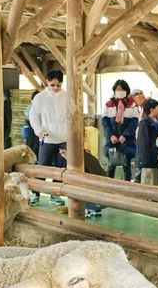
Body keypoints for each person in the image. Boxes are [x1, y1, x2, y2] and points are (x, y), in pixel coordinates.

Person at [29, 70, 68, 204]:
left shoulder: (67, 96)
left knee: (60, 169)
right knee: (42, 167)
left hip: (63, 138)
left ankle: (55, 194)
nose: (55, 88)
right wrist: (39, 130)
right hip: (47, 138)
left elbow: (74, 115)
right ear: (47, 82)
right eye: (52, 85)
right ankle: (36, 193)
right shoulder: (40, 97)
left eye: (58, 85)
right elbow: (33, 116)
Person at [101, 79, 140, 181]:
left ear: (126, 90)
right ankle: (108, 188)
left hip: (126, 140)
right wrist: (111, 135)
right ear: (114, 90)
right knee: (111, 165)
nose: (120, 91)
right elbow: (105, 122)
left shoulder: (133, 104)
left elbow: (134, 122)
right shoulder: (109, 104)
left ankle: (126, 188)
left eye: (122, 89)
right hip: (112, 140)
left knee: (127, 166)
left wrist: (125, 135)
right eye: (118, 89)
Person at [58, 145, 106, 218]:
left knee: (71, 186)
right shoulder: (87, 156)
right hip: (105, 197)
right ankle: (92, 208)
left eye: (63, 152)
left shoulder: (78, 160)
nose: (61, 153)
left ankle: (88, 207)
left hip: (96, 197)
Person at [135, 98, 158, 186]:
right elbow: (143, 143)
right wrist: (145, 160)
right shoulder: (145, 123)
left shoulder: (157, 122)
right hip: (148, 161)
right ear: (152, 110)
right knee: (148, 184)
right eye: (157, 106)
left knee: (156, 184)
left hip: (156, 159)